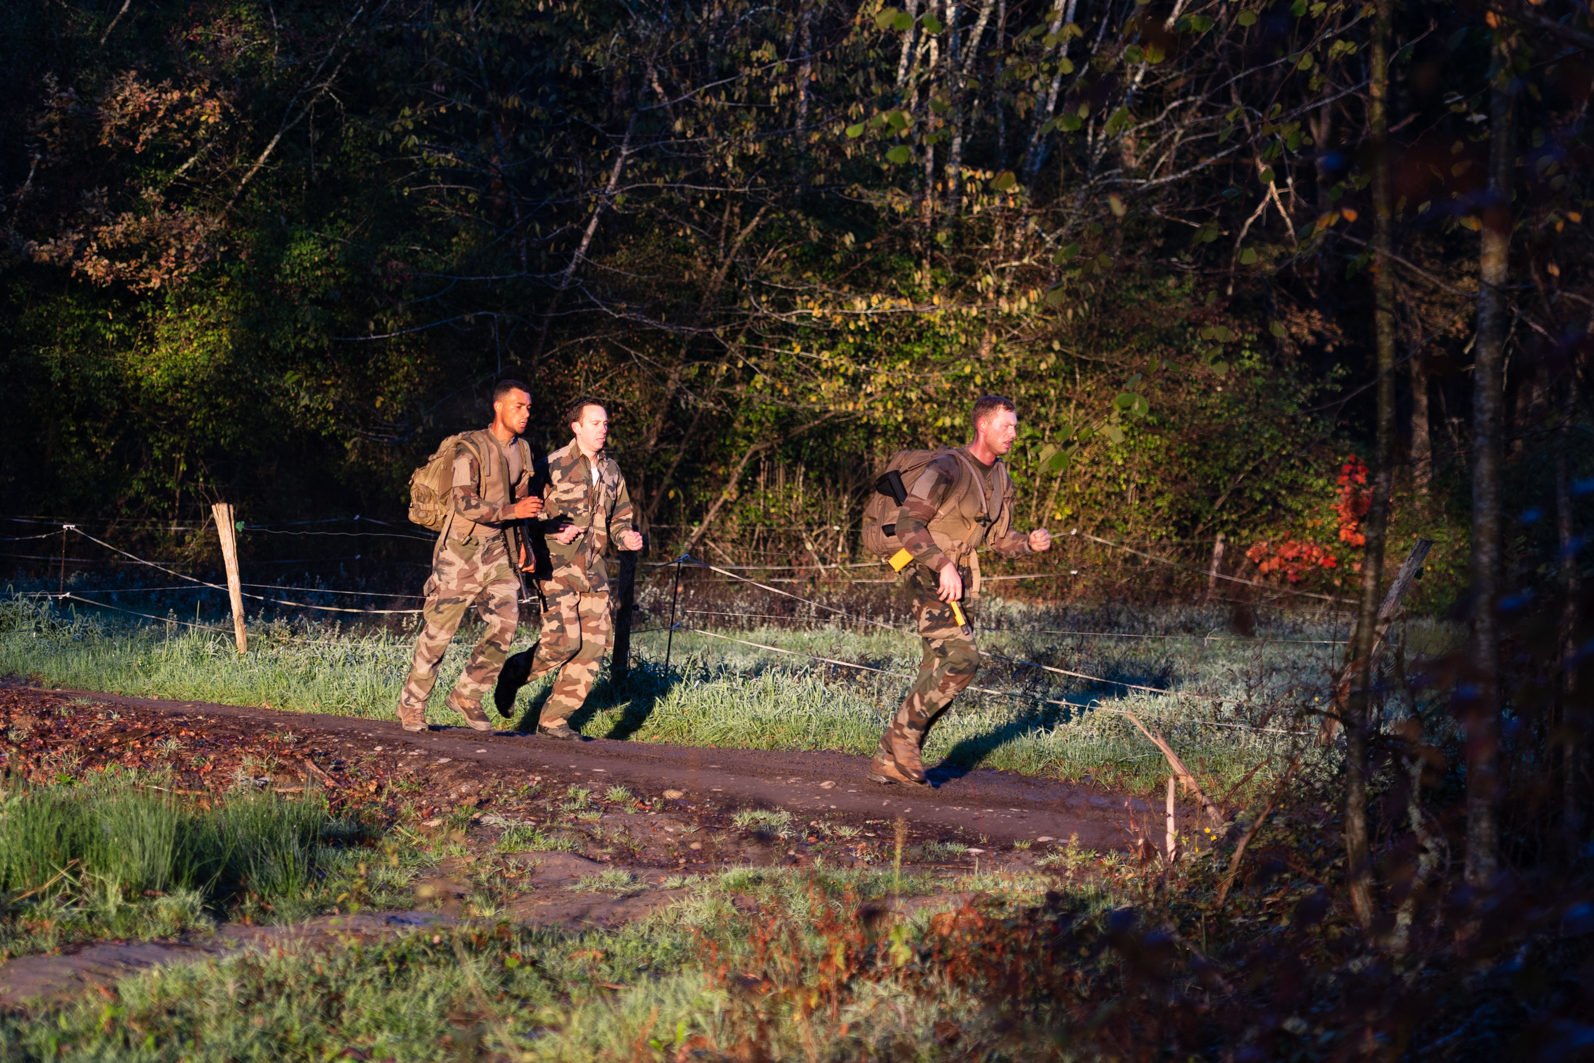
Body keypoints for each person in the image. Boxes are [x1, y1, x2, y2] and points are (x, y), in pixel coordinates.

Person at [869, 394, 1052, 785]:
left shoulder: (1001, 478)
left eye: (1015, 426)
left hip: (956, 578)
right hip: (924, 569)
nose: (1014, 434)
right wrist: (943, 564)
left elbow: (998, 539)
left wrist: (1028, 543)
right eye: (1007, 426)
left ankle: (887, 758)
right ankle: (903, 738)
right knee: (963, 659)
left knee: (935, 668)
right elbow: (908, 525)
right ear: (982, 426)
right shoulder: (947, 467)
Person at [397, 380, 543, 732]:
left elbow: (522, 504)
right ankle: (412, 706)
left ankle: (467, 694)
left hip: (498, 550)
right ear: (499, 407)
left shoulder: (522, 450)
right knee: (440, 632)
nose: (526, 413)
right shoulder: (472, 448)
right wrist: (513, 510)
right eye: (518, 406)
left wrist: (524, 543)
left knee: (506, 624)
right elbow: (464, 502)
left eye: (528, 407)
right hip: (460, 551)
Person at [494, 398, 644, 739]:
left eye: (605, 423)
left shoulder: (611, 470)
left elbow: (620, 516)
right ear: (576, 427)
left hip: (596, 573)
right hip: (556, 568)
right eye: (595, 423)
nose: (603, 429)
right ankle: (513, 673)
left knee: (591, 649)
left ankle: (553, 721)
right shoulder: (551, 465)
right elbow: (525, 514)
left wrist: (626, 537)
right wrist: (551, 528)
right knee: (562, 643)